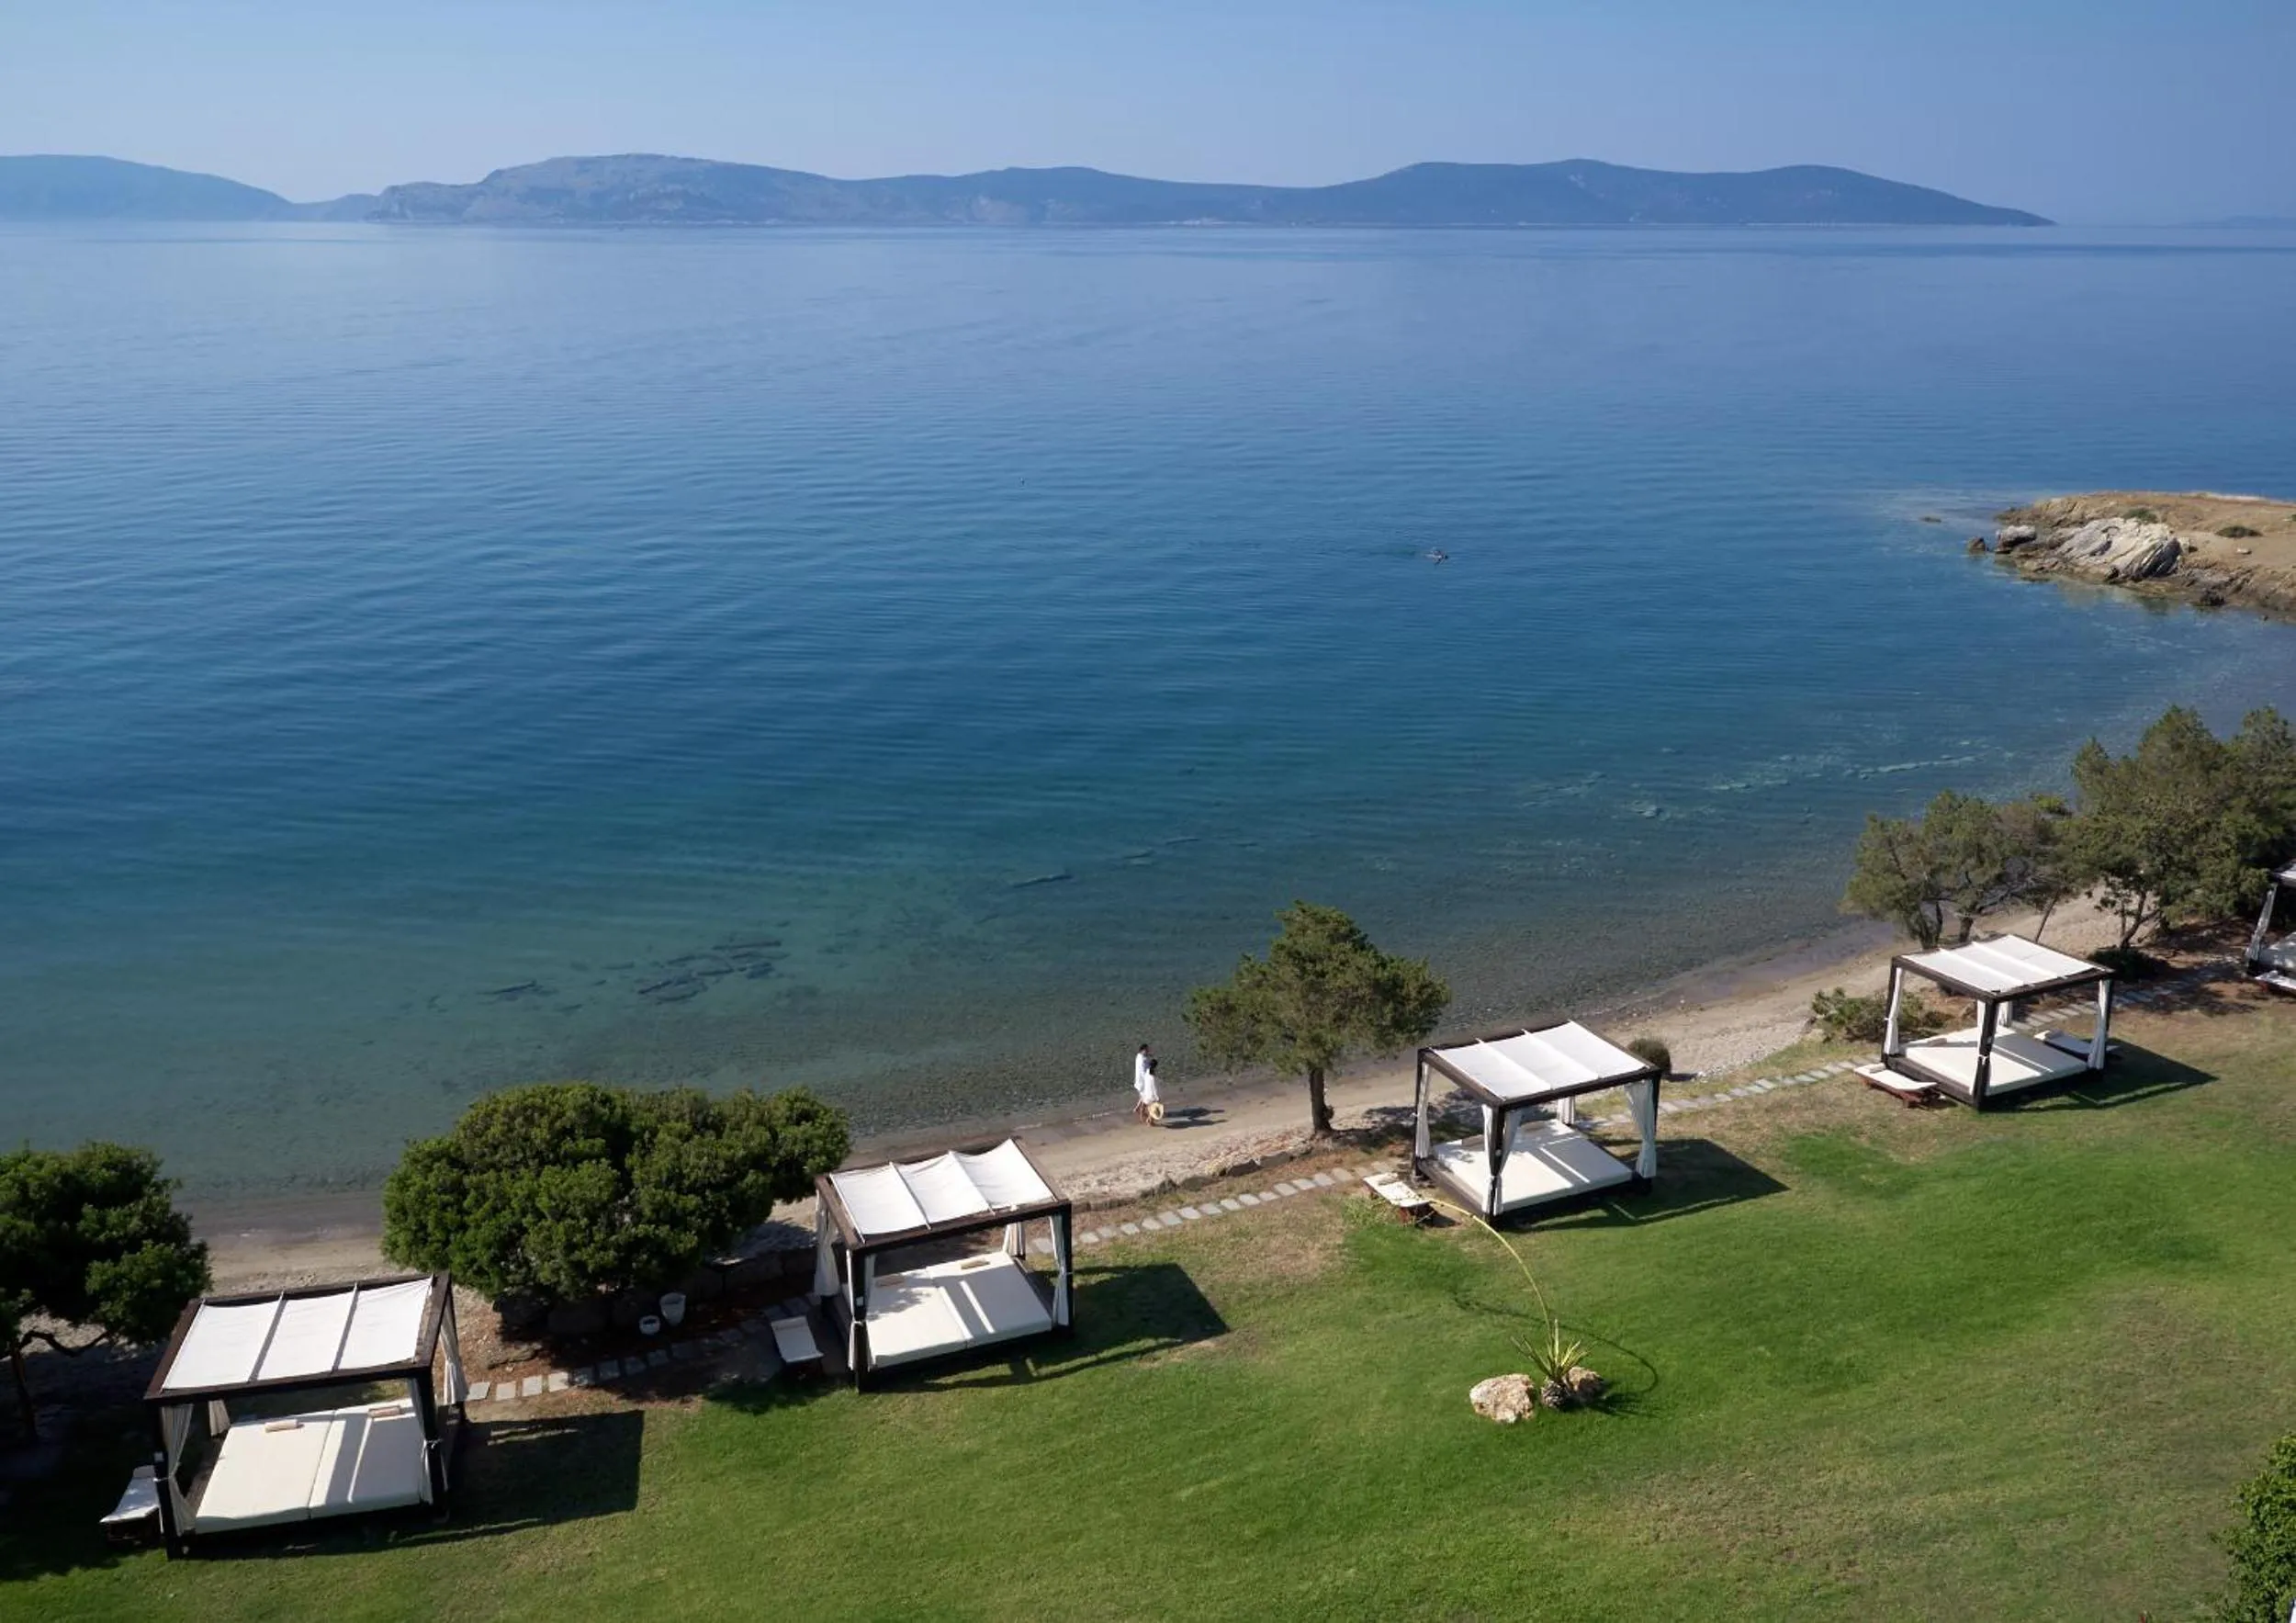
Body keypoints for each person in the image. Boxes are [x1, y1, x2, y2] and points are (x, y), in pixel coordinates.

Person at [1132, 1043, 1162, 1125]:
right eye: (1147, 1050)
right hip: (1143, 1082)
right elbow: (1144, 1072)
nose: (1148, 1051)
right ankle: (1148, 1118)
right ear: (1143, 1050)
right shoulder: (1143, 1060)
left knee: (1143, 1098)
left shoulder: (1139, 1056)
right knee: (1147, 1100)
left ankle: (1137, 1109)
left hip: (1140, 1081)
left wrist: (1149, 1056)